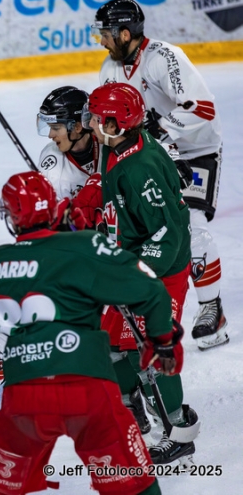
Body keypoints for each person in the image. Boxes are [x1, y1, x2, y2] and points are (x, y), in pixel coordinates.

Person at [0, 171, 181, 495]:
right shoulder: (84, 247)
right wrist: (162, 341)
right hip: (87, 388)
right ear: (54, 208)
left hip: (24, 395)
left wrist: (63, 241)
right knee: (135, 487)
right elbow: (150, 289)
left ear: (11, 216)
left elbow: (34, 276)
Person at [0, 86, 105, 430]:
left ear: (80, 124)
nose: (49, 134)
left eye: (56, 125)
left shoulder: (110, 145)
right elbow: (48, 215)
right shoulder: (53, 159)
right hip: (72, 253)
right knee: (16, 311)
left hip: (112, 252)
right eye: (46, 125)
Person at [93, 0, 228, 351]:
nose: (102, 42)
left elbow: (203, 108)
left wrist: (163, 127)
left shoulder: (165, 57)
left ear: (125, 33)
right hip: (151, 157)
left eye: (105, 34)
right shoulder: (110, 67)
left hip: (194, 151)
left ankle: (212, 308)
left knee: (192, 226)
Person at [86, 82, 199, 465]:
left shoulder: (141, 169)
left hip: (159, 273)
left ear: (117, 124)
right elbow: (118, 207)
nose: (91, 124)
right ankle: (132, 407)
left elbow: (168, 232)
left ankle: (180, 430)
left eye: (97, 119)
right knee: (109, 343)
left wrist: (136, 274)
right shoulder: (115, 148)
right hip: (131, 262)